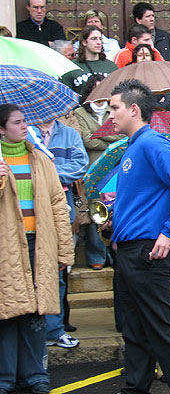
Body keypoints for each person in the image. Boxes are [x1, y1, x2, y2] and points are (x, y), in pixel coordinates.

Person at [108, 79, 170, 394]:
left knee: (162, 330)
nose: (110, 116)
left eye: (114, 108)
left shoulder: (152, 143)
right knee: (135, 329)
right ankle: (136, 387)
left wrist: (169, 231)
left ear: (134, 109)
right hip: (130, 252)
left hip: (147, 253)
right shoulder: (134, 147)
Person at [0, 104, 74, 394]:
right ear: (2, 128)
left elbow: (58, 203)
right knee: (8, 311)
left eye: (23, 121)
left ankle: (35, 373)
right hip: (6, 246)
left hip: (38, 243)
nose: (23, 126)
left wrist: (63, 251)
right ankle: (5, 376)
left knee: (36, 312)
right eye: (16, 122)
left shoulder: (40, 158)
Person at [32, 116, 88, 350]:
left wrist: (49, 171)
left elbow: (80, 165)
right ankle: (31, 332)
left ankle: (55, 329)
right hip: (31, 207)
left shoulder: (69, 134)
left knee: (58, 271)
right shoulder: (27, 133)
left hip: (61, 204)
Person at [74, 75, 123, 269]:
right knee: (96, 209)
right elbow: (86, 139)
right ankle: (97, 257)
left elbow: (121, 134)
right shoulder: (80, 113)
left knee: (114, 207)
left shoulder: (114, 111)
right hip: (93, 168)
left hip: (114, 167)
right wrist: (108, 137)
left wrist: (102, 135)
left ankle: (115, 252)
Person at [62, 25, 118, 94]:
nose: (98, 42)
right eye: (94, 38)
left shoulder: (111, 66)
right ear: (84, 42)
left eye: (100, 39)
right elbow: (64, 94)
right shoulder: (71, 67)